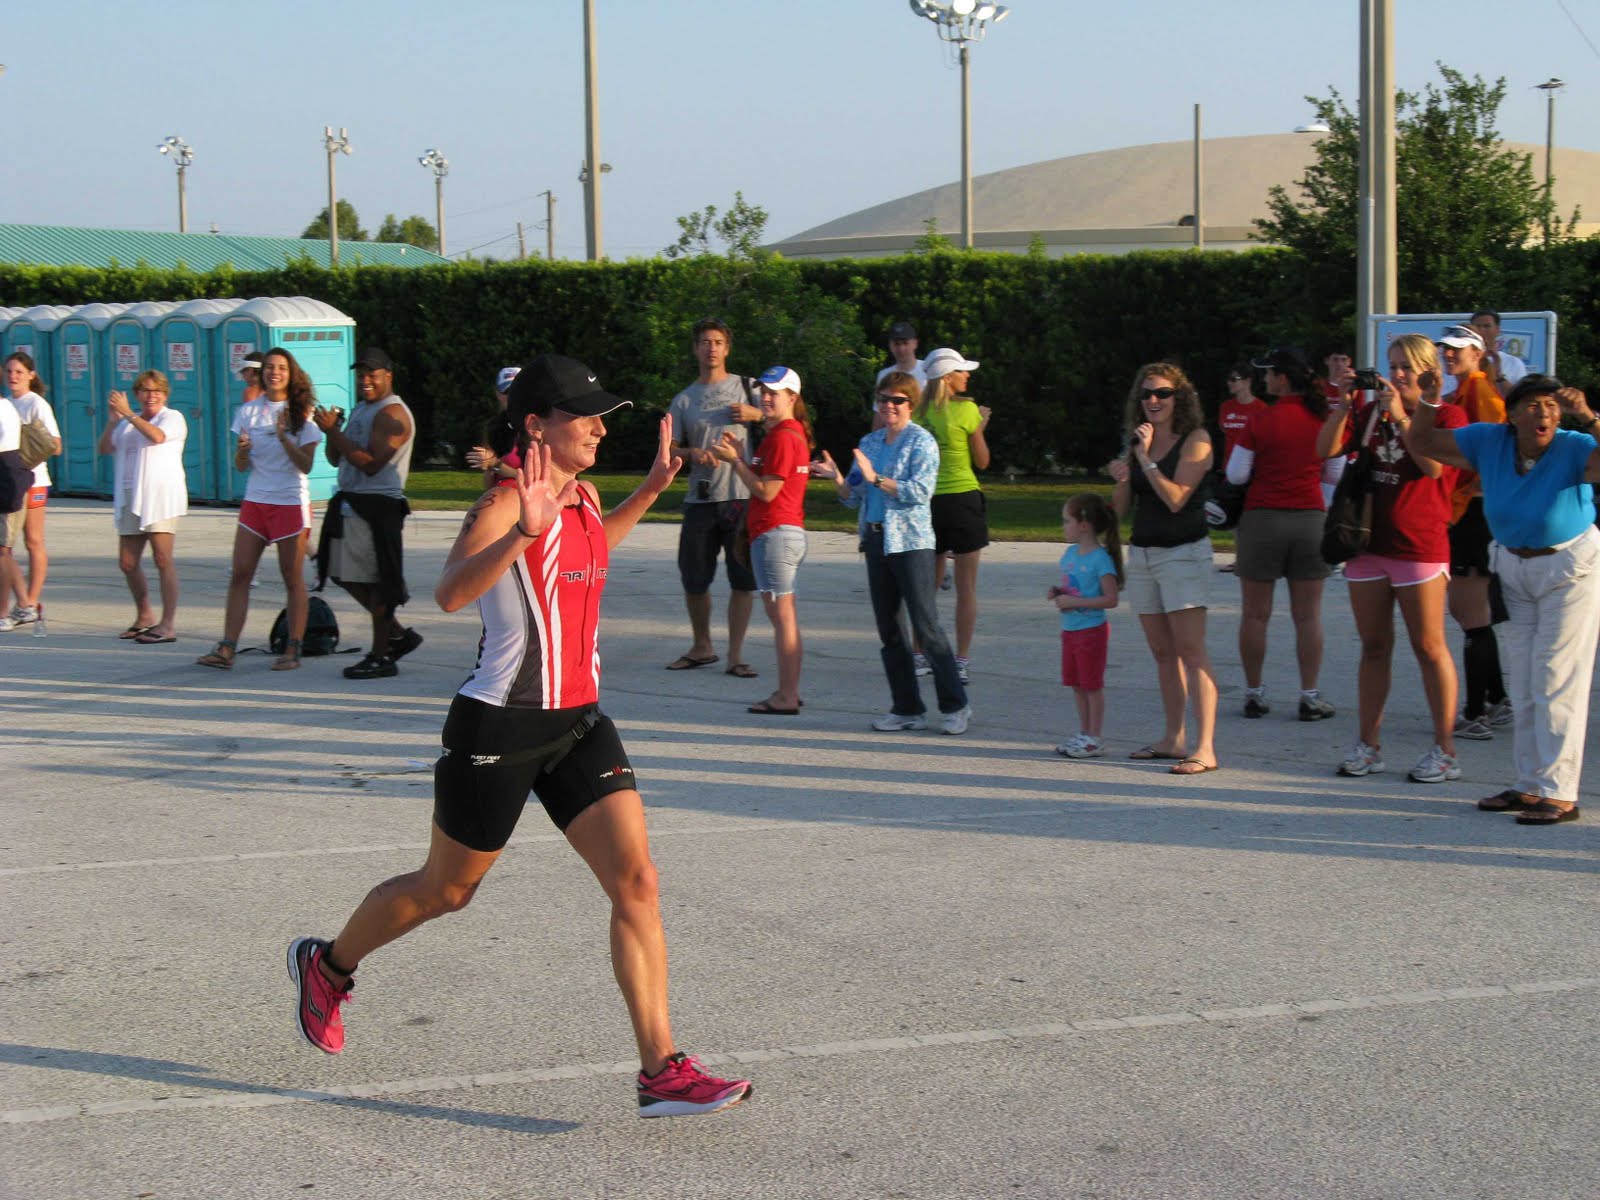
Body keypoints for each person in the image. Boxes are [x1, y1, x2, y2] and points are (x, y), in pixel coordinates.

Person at [286, 353, 754, 1117]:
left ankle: (660, 1069)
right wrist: (521, 536)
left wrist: (650, 489)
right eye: (586, 416)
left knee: (637, 882)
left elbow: (590, 546)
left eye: (603, 416)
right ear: (536, 425)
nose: (600, 428)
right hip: (499, 724)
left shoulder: (584, 493)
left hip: (580, 721)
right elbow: (448, 592)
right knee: (446, 891)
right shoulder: (505, 500)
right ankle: (329, 965)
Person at [1409, 375, 1600, 826]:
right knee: (1526, 681)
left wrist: (1590, 416)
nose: (1544, 413)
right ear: (1511, 414)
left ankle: (1559, 793)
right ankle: (1530, 785)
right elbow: (1422, 442)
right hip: (1514, 568)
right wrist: (1429, 402)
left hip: (1569, 568)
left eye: (1551, 405)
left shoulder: (1574, 445)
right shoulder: (1488, 440)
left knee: (1556, 678)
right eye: (1533, 405)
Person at [1315, 335, 1464, 783]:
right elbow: (1325, 450)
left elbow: (1434, 467)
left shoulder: (1447, 415)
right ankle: (1369, 744)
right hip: (1368, 544)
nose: (1397, 375)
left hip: (1419, 545)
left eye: (1406, 367)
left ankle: (1445, 750)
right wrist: (1343, 406)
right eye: (1392, 365)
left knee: (1429, 646)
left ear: (1427, 372)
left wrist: (1401, 416)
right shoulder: (1371, 412)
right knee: (1374, 645)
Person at [814, 370, 972, 735]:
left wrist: (877, 479)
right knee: (890, 631)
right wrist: (837, 478)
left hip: (911, 543)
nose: (888, 406)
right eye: (883, 399)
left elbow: (920, 492)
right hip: (875, 540)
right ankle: (907, 708)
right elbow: (853, 496)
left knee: (926, 626)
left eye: (897, 400)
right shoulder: (869, 443)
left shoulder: (922, 442)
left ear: (911, 404)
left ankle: (956, 705)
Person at [1108, 363, 1220, 774]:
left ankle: (1205, 747)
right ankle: (1174, 738)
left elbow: (1176, 499)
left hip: (1183, 555)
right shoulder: (1140, 441)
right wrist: (1124, 476)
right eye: (1146, 394)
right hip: (1144, 554)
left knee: (1192, 651)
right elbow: (1117, 513)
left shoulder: (1196, 440)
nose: (1153, 400)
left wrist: (1145, 459)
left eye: (1163, 393)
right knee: (1162, 652)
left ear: (1180, 397)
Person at [1226, 347, 1341, 722]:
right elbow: (1336, 473)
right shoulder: (1324, 419)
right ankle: (1309, 696)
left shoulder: (1260, 419)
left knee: (1255, 614)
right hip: (1309, 519)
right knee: (1308, 616)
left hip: (1262, 519)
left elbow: (1236, 475)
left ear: (1282, 378)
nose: (1264, 379)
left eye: (1268, 373)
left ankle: (1254, 693)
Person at [197, 347, 322, 671]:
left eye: (281, 367)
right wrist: (242, 451)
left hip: (289, 503)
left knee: (291, 577)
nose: (274, 372)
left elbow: (306, 465)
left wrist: (283, 437)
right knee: (240, 574)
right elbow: (241, 465)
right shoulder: (248, 411)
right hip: (255, 501)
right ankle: (227, 647)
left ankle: (293, 648)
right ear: (262, 373)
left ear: (291, 374)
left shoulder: (303, 414)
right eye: (269, 367)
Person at [709, 365, 815, 715]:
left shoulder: (784, 436)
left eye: (774, 393)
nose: (766, 398)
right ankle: (790, 690)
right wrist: (742, 457)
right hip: (781, 534)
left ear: (792, 398)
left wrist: (735, 462)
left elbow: (767, 491)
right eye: (764, 392)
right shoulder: (785, 434)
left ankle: (786, 695)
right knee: (786, 618)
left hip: (775, 534)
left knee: (782, 619)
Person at [314, 347, 419, 680]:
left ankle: (381, 655)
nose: (365, 380)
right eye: (361, 374)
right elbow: (336, 458)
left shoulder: (393, 414)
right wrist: (333, 432)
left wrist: (333, 432)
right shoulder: (362, 408)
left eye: (372, 374)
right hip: (352, 503)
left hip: (378, 506)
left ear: (389, 375)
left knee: (378, 583)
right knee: (341, 573)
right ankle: (397, 635)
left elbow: (371, 464)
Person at [665, 318, 761, 678]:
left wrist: (756, 414)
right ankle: (702, 646)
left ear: (727, 348)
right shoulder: (683, 399)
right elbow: (668, 449)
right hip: (700, 500)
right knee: (694, 578)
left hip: (741, 496)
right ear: (695, 349)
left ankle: (736, 656)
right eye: (705, 342)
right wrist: (691, 453)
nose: (712, 348)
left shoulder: (749, 388)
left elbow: (788, 419)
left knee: (742, 580)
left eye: (718, 342)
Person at [1437, 323, 1510, 740]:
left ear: (1477, 353)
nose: (1448, 354)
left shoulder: (1479, 391)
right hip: (1471, 510)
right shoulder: (1465, 391)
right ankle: (1496, 700)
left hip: (1474, 512)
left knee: (1470, 614)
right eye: (1445, 349)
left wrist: (1469, 487)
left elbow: (1495, 446)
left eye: (1457, 349)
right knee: (1473, 612)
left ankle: (1475, 712)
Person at [916, 347, 991, 682]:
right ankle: (961, 659)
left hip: (927, 502)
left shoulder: (916, 412)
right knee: (967, 587)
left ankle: (920, 654)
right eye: (962, 371)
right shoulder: (967, 410)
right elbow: (983, 461)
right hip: (962, 500)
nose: (967, 376)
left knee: (925, 586)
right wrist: (980, 426)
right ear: (947, 377)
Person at [98, 371, 188, 643]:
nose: (151, 396)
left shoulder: (172, 417)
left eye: (157, 391)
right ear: (137, 394)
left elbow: (157, 437)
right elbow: (105, 448)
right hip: (130, 494)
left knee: (162, 559)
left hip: (159, 495)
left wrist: (128, 414)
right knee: (127, 562)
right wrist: (113, 422)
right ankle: (144, 615)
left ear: (165, 395)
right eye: (146, 391)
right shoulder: (128, 422)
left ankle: (168, 624)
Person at [1050, 494, 1122, 759]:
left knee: (1091, 685)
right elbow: (1074, 588)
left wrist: (1074, 601)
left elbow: (1111, 599)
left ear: (1084, 525)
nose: (1063, 526)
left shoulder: (1100, 559)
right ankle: (1084, 733)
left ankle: (1095, 737)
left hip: (1091, 631)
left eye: (1066, 521)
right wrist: (1059, 593)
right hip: (1070, 628)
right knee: (1077, 684)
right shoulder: (1070, 554)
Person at [0, 351, 61, 632]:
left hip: (33, 479)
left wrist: (26, 450)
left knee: (33, 541)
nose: (13, 377)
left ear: (31, 375)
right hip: (14, 479)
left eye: (19, 372)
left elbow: (55, 445)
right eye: (9, 371)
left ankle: (31, 602)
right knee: (7, 546)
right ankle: (24, 603)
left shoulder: (36, 404)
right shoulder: (8, 402)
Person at [465, 366, 523, 487]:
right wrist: (488, 465)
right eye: (507, 392)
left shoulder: (541, 426)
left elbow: (536, 480)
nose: (512, 396)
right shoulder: (494, 427)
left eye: (517, 391)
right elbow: (489, 482)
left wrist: (494, 464)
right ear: (498, 395)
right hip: (502, 493)